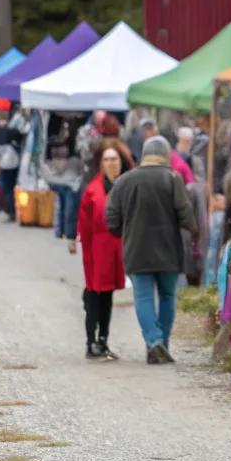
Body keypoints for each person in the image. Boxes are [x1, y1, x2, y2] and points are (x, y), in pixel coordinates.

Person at [105, 135, 196, 365]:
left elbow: (111, 217)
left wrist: (122, 233)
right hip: (169, 250)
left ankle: (154, 343)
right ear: (165, 155)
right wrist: (193, 228)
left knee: (143, 297)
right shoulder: (172, 178)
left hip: (136, 250)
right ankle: (161, 344)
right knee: (167, 296)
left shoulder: (124, 181)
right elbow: (186, 215)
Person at [77, 143, 128, 360]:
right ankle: (91, 341)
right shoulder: (92, 189)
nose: (111, 163)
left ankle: (103, 340)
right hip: (97, 247)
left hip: (117, 246)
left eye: (114, 159)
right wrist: (82, 245)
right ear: (101, 163)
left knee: (107, 295)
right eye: (107, 159)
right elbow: (84, 221)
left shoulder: (125, 185)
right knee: (94, 294)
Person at [40, 138, 85, 252]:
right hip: (67, 181)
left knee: (66, 208)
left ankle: (64, 233)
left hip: (65, 181)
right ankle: (65, 234)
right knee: (67, 209)